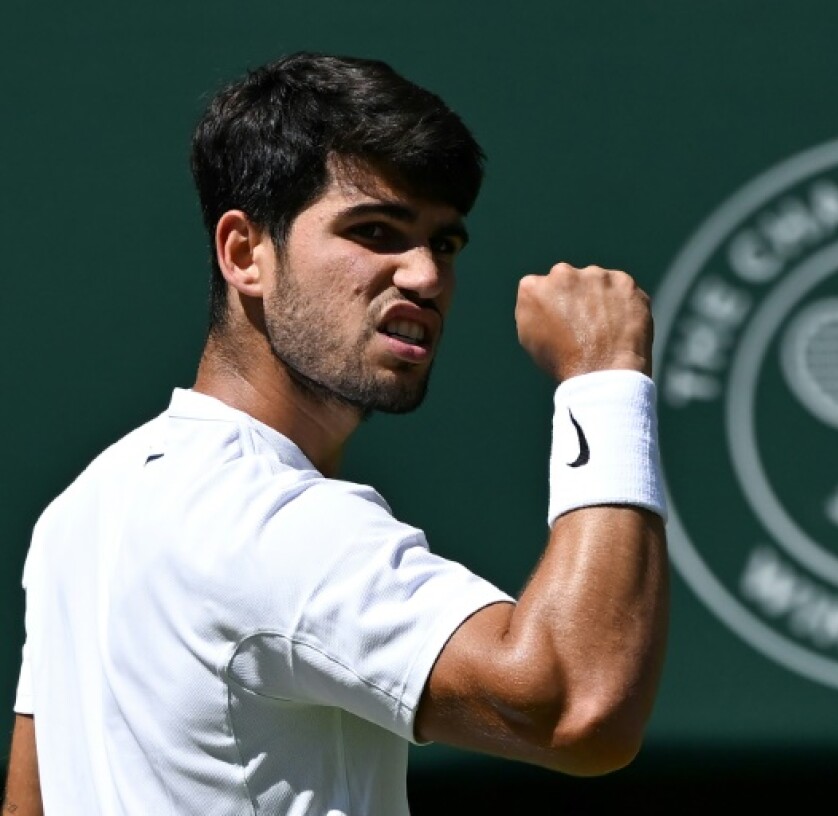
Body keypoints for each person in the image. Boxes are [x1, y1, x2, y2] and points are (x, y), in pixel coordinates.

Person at [3, 51, 669, 815]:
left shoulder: (82, 509)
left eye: (443, 243)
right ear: (244, 253)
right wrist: (606, 377)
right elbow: (576, 707)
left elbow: (31, 804)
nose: (423, 275)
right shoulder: (272, 520)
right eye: (376, 231)